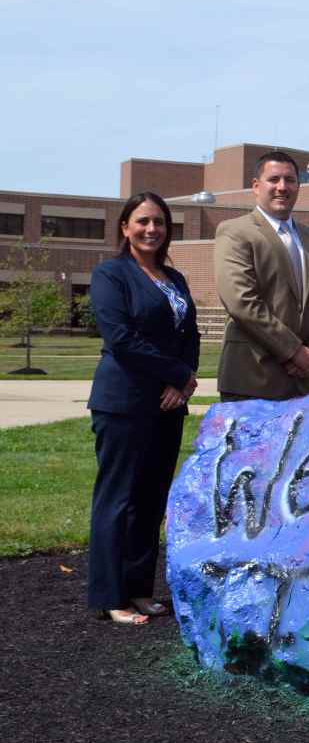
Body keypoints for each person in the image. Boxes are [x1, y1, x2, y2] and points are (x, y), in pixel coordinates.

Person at [88, 192, 200, 625]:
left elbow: (188, 334)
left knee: (151, 500)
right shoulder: (110, 275)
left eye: (159, 222)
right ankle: (110, 595)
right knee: (117, 499)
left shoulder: (175, 278)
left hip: (168, 405)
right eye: (142, 221)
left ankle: (138, 589)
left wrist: (184, 378)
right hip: (124, 403)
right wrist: (175, 372)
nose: (151, 229)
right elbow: (121, 339)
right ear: (125, 227)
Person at [214, 151, 309, 401]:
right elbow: (242, 303)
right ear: (256, 186)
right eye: (274, 179)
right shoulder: (235, 232)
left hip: (302, 382)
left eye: (290, 180)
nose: (282, 187)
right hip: (251, 380)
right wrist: (294, 352)